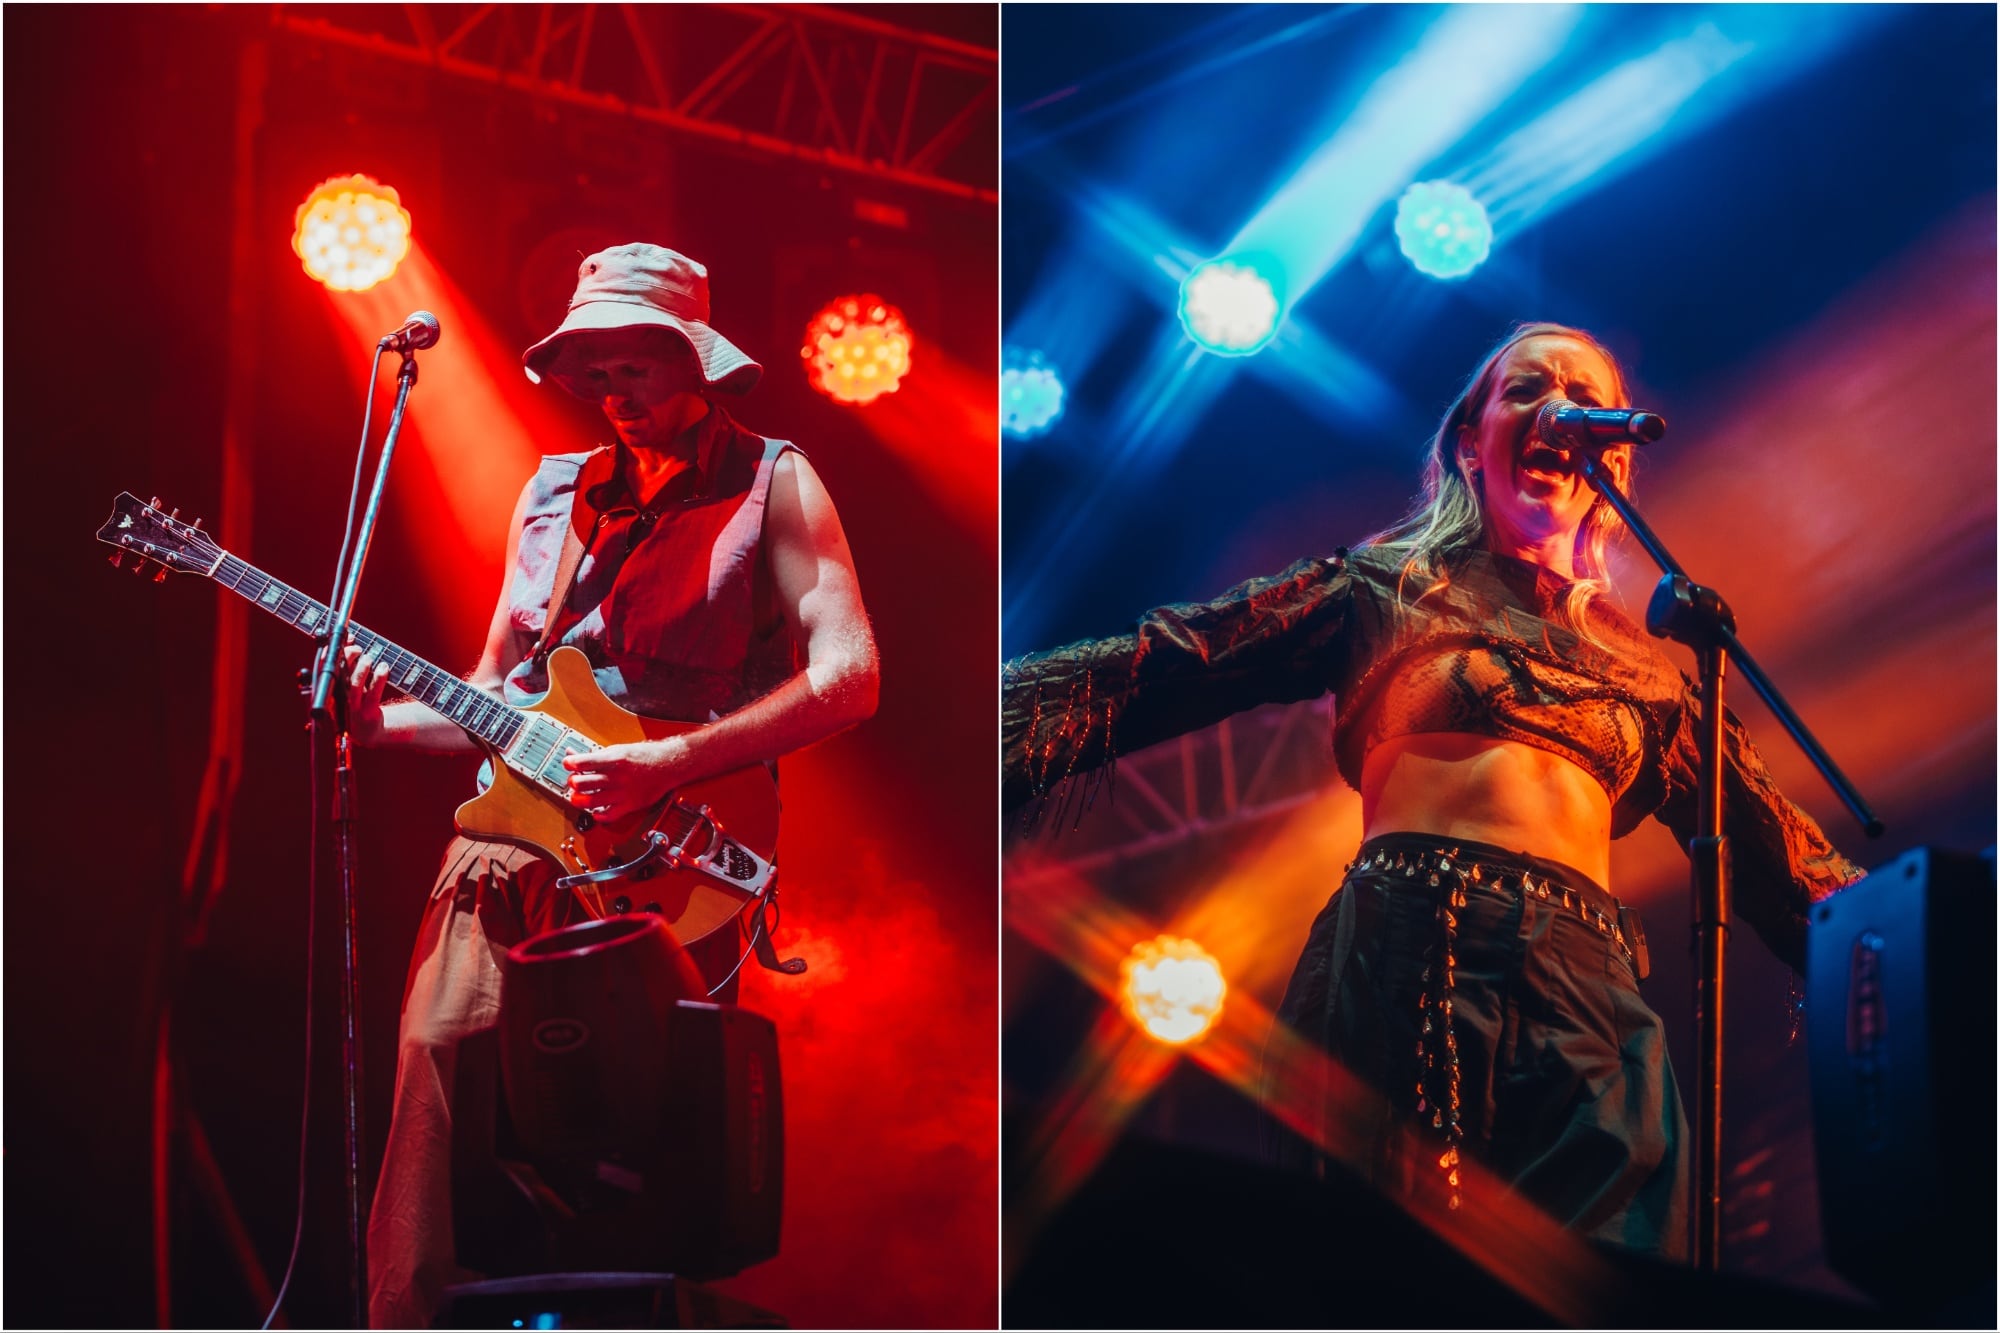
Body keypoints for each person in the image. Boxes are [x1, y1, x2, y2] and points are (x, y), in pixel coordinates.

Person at [1001, 322, 1858, 1259]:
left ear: (1613, 454)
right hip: (1410, 942)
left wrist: (1946, 934)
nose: (1556, 407)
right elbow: (1174, 658)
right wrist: (981, 714)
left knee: (1616, 1263)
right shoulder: (1385, 586)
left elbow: (1789, 860)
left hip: (1590, 980)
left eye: (1580, 392)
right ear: (1469, 443)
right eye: (1527, 390)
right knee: (1398, 1277)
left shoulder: (1653, 672)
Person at [343, 243, 880, 1327]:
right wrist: (375, 724)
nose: (612, 390)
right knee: (435, 1056)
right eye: (594, 367)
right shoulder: (549, 496)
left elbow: (851, 679)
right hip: (515, 838)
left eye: (635, 363)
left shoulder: (772, 478)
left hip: (671, 848)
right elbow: (491, 696)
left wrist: (668, 763)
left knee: (648, 1123)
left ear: (692, 358)